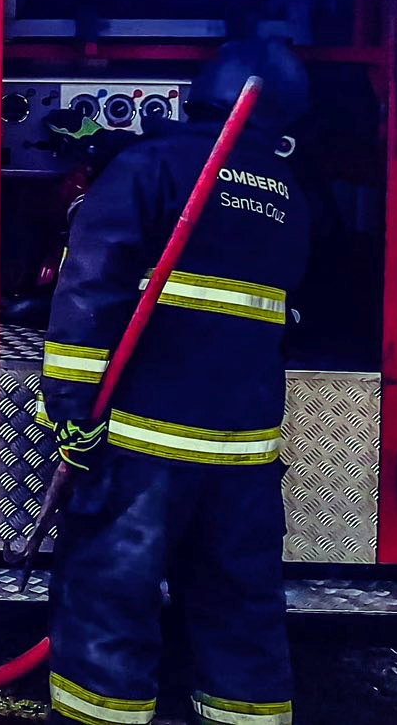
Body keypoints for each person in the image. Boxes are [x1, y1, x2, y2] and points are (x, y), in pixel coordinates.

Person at [40, 39, 311, 725]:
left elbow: (88, 290)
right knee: (239, 613)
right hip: (244, 457)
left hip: (140, 449)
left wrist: (74, 415)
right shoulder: (290, 198)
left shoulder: (150, 167)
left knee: (110, 609)